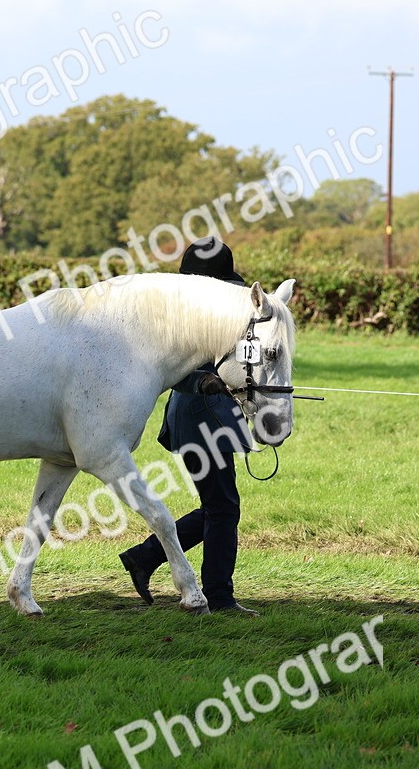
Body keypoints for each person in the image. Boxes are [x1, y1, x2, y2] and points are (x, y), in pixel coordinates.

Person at [118, 236, 259, 616]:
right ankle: (218, 596)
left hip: (203, 415)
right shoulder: (192, 318)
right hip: (200, 415)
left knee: (218, 505)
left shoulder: (203, 313)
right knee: (223, 507)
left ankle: (144, 556)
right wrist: (204, 379)